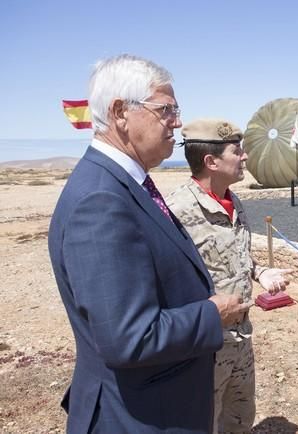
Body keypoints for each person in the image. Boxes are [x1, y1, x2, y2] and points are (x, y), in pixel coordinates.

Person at [48, 54, 249, 433]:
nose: (177, 122)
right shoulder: (102, 201)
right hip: (136, 416)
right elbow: (127, 337)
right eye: (166, 110)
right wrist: (212, 312)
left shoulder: (125, 185)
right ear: (121, 112)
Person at [166, 118, 294, 433]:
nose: (245, 157)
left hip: (240, 341)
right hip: (201, 350)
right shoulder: (174, 212)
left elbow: (233, 255)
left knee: (239, 419)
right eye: (237, 151)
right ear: (211, 161)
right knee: (198, 423)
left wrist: (260, 272)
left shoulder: (233, 201)